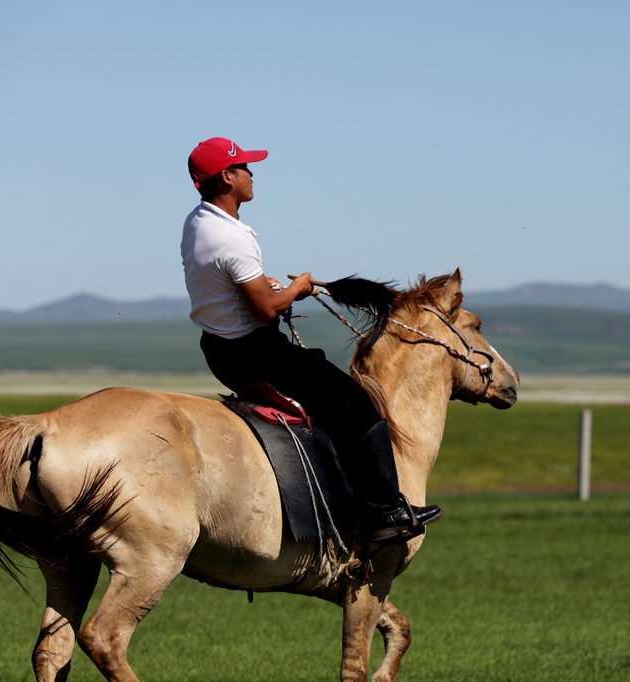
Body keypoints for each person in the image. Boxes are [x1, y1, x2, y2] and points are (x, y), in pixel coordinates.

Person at [181, 137, 441, 542]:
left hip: (220, 346)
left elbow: (225, 287)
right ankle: (383, 514)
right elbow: (265, 310)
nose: (253, 173)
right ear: (227, 178)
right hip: (255, 354)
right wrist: (296, 288)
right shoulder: (233, 237)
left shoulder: (199, 222)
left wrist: (263, 287)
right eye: (246, 167)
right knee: (358, 406)